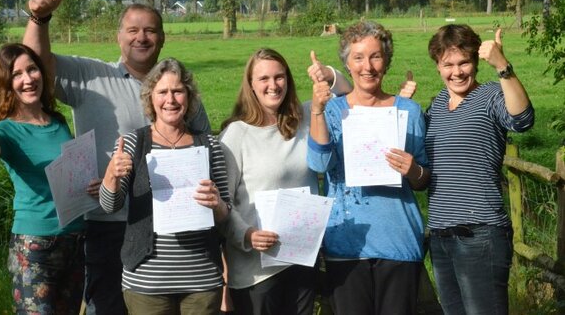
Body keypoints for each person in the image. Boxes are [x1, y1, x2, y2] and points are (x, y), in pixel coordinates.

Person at [23, 0, 211, 315]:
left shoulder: (178, 92)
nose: (142, 37)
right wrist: (39, 20)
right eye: (133, 30)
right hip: (107, 223)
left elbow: (204, 155)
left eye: (150, 30)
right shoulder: (91, 76)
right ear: (118, 37)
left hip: (170, 229)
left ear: (162, 38)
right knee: (107, 306)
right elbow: (36, 64)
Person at [218, 48, 356, 315]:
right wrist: (246, 235)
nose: (273, 85)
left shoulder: (306, 118)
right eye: (264, 79)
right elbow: (222, 204)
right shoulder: (236, 135)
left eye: (279, 77)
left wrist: (329, 74)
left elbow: (350, 98)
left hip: (301, 259)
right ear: (251, 86)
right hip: (256, 271)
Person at [307, 21, 431, 315]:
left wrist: (413, 170)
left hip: (398, 240)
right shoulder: (334, 110)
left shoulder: (408, 111)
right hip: (347, 243)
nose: (368, 66)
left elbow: (423, 179)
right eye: (359, 57)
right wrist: (317, 110)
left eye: (376, 56)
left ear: (387, 61)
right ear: (347, 64)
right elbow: (319, 163)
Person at [98, 58, 230, 314]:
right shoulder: (132, 143)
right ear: (151, 98)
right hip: (146, 282)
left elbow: (226, 216)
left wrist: (217, 204)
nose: (170, 99)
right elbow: (109, 206)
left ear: (189, 97)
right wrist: (111, 176)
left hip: (201, 281)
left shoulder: (208, 145)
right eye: (162, 92)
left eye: (178, 91)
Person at [0, 43, 85, 314]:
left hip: (75, 239)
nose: (28, 79)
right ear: (7, 84)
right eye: (17, 74)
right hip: (35, 247)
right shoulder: (6, 130)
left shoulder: (57, 121)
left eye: (32, 69)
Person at [424, 25, 534, 315]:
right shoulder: (435, 106)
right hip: (440, 236)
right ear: (437, 66)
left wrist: (502, 66)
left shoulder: (491, 96)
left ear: (475, 62)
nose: (457, 72)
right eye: (448, 64)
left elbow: (522, 119)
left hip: (480, 235)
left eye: (464, 62)